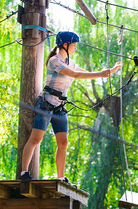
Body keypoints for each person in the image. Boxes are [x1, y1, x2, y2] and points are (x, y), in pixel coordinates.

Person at [20, 31, 122, 183]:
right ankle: (24, 172)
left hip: (59, 106)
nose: (76, 49)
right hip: (46, 104)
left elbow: (85, 73)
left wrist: (108, 72)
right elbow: (75, 75)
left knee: (63, 142)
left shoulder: (70, 62)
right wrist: (100, 73)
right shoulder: (55, 61)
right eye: (74, 46)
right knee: (36, 139)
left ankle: (60, 177)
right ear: (65, 45)